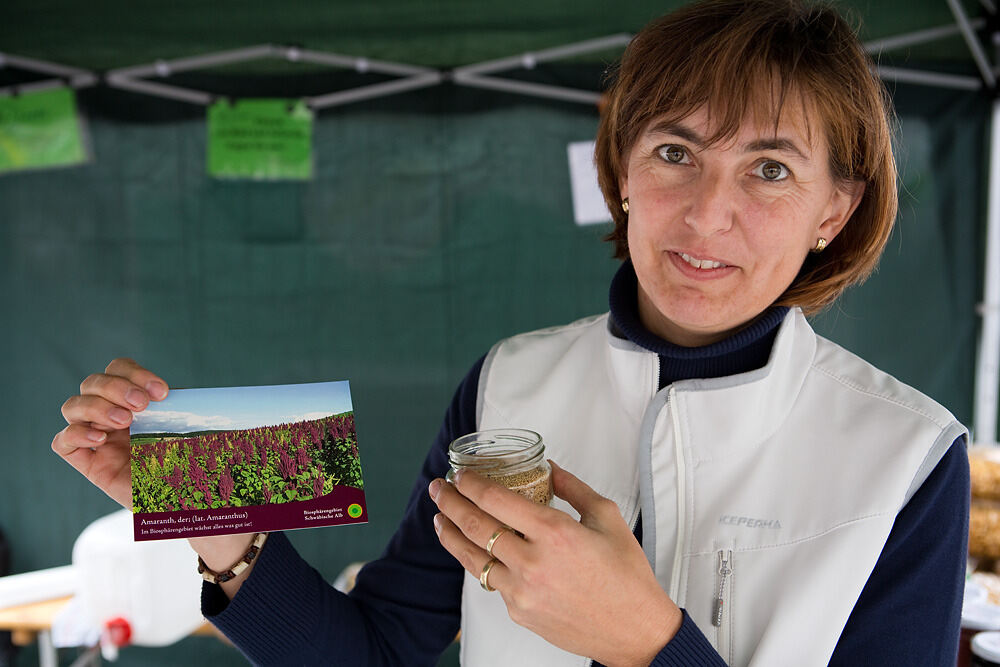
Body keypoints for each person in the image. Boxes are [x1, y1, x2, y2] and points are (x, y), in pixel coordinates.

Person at [52, 0, 970, 664]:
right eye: (675, 152)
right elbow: (375, 649)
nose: (707, 214)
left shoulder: (910, 457)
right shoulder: (507, 382)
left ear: (835, 210)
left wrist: (648, 644)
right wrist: (210, 508)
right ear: (619, 169)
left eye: (770, 168)